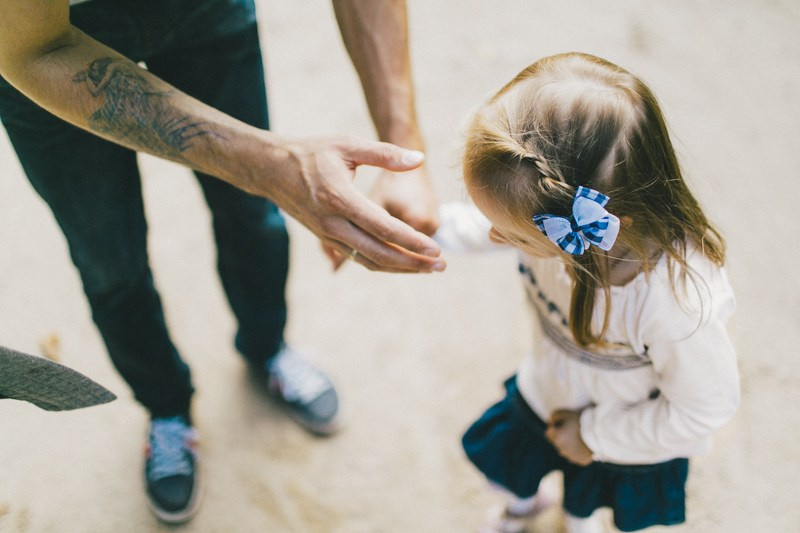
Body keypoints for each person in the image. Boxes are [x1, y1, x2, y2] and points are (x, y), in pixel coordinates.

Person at [0, 0, 445, 524]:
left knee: (254, 217)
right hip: (43, 40)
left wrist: (404, 146)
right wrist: (272, 165)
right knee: (109, 258)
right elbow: (34, 48)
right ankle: (165, 408)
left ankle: (267, 348)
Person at [435, 52, 739, 532]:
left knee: (585, 514)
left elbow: (703, 411)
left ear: (586, 229)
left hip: (618, 434)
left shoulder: (677, 307)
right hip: (545, 390)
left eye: (512, 236)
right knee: (509, 472)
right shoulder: (544, 215)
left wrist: (594, 436)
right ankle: (522, 507)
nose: (494, 237)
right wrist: (418, 229)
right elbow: (486, 225)